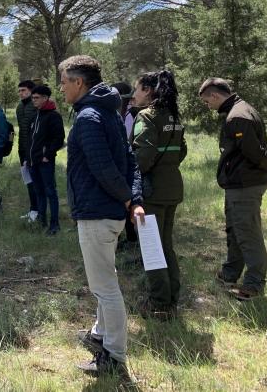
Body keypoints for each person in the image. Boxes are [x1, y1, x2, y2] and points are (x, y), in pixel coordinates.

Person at [58, 55, 143, 377]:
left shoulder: (89, 118)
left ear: (79, 83)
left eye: (64, 82)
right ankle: (99, 335)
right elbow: (130, 159)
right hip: (107, 211)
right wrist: (132, 199)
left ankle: (114, 357)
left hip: (98, 213)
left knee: (105, 288)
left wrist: (127, 198)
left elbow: (104, 167)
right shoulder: (109, 113)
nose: (61, 88)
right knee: (104, 282)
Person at [199, 78, 267, 301]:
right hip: (238, 184)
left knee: (247, 233)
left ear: (215, 96)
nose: (208, 106)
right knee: (235, 230)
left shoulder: (237, 116)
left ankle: (254, 284)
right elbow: (264, 146)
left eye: (207, 101)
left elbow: (257, 152)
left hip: (245, 185)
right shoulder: (243, 109)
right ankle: (230, 273)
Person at [130, 70, 187, 319]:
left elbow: (143, 154)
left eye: (137, 89)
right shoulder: (173, 116)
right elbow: (181, 150)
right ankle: (172, 296)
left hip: (152, 191)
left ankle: (159, 304)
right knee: (166, 245)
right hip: (172, 186)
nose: (134, 94)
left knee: (152, 248)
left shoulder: (146, 116)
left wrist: (134, 181)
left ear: (149, 91)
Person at [28, 85, 65, 235]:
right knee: (39, 192)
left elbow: (59, 138)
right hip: (33, 161)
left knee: (50, 192)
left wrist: (47, 155)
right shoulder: (35, 115)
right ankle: (41, 221)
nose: (33, 101)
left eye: (36, 98)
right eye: (32, 98)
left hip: (45, 161)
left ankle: (54, 225)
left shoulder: (53, 116)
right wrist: (27, 157)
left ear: (45, 98)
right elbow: (30, 139)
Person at [111, 81, 140, 248]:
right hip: (120, 164)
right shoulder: (119, 113)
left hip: (128, 164)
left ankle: (131, 238)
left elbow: (127, 141)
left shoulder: (130, 115)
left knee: (129, 200)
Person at [16, 80, 39, 221]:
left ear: (31, 91)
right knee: (29, 182)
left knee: (37, 183)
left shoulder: (36, 106)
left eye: (23, 90)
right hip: (22, 149)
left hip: (35, 150)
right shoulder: (19, 107)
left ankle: (39, 212)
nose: (21, 93)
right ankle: (33, 210)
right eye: (19, 91)